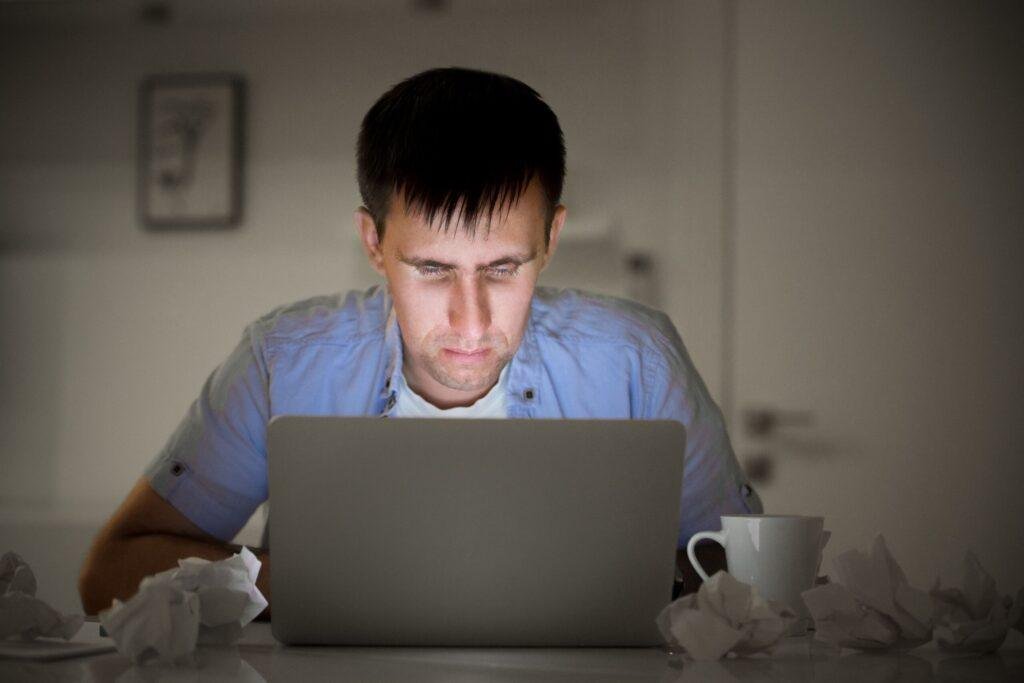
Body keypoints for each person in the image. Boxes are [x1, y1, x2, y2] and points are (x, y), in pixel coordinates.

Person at [78, 67, 761, 617]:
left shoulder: (635, 358)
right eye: (432, 269)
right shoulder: (283, 360)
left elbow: (753, 579)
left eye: (502, 267)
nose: (470, 319)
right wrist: (272, 581)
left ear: (551, 240)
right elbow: (108, 573)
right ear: (374, 243)